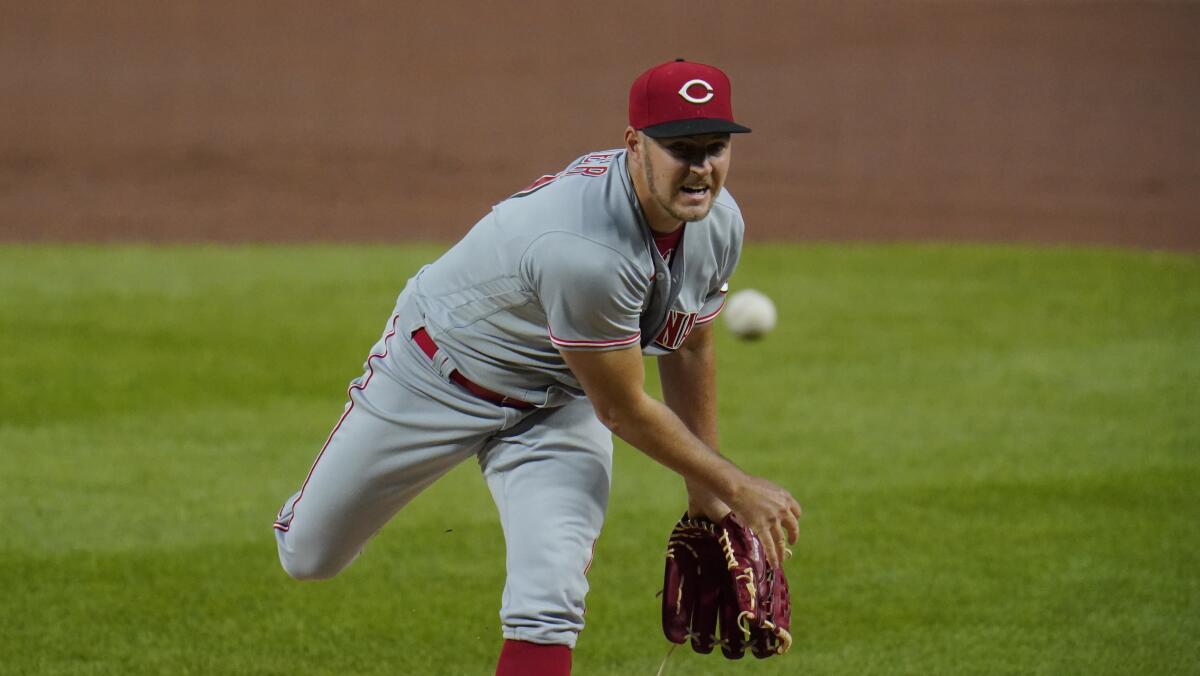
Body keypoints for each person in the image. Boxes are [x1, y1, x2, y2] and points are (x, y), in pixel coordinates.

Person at [272, 59, 802, 676]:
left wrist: (706, 495)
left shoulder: (718, 221)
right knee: (308, 556)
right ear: (635, 145)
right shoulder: (586, 250)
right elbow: (623, 408)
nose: (701, 167)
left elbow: (688, 345)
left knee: (549, 600)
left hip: (559, 400)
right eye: (680, 149)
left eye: (714, 148)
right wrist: (737, 486)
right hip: (435, 377)